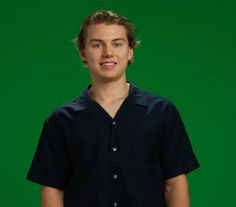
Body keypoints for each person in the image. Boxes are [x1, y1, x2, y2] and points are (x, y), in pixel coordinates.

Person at [27, 10, 200, 207]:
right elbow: (52, 189)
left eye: (117, 43)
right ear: (83, 54)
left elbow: (175, 184)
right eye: (97, 44)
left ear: (130, 51)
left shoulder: (162, 112)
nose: (108, 52)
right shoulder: (61, 121)